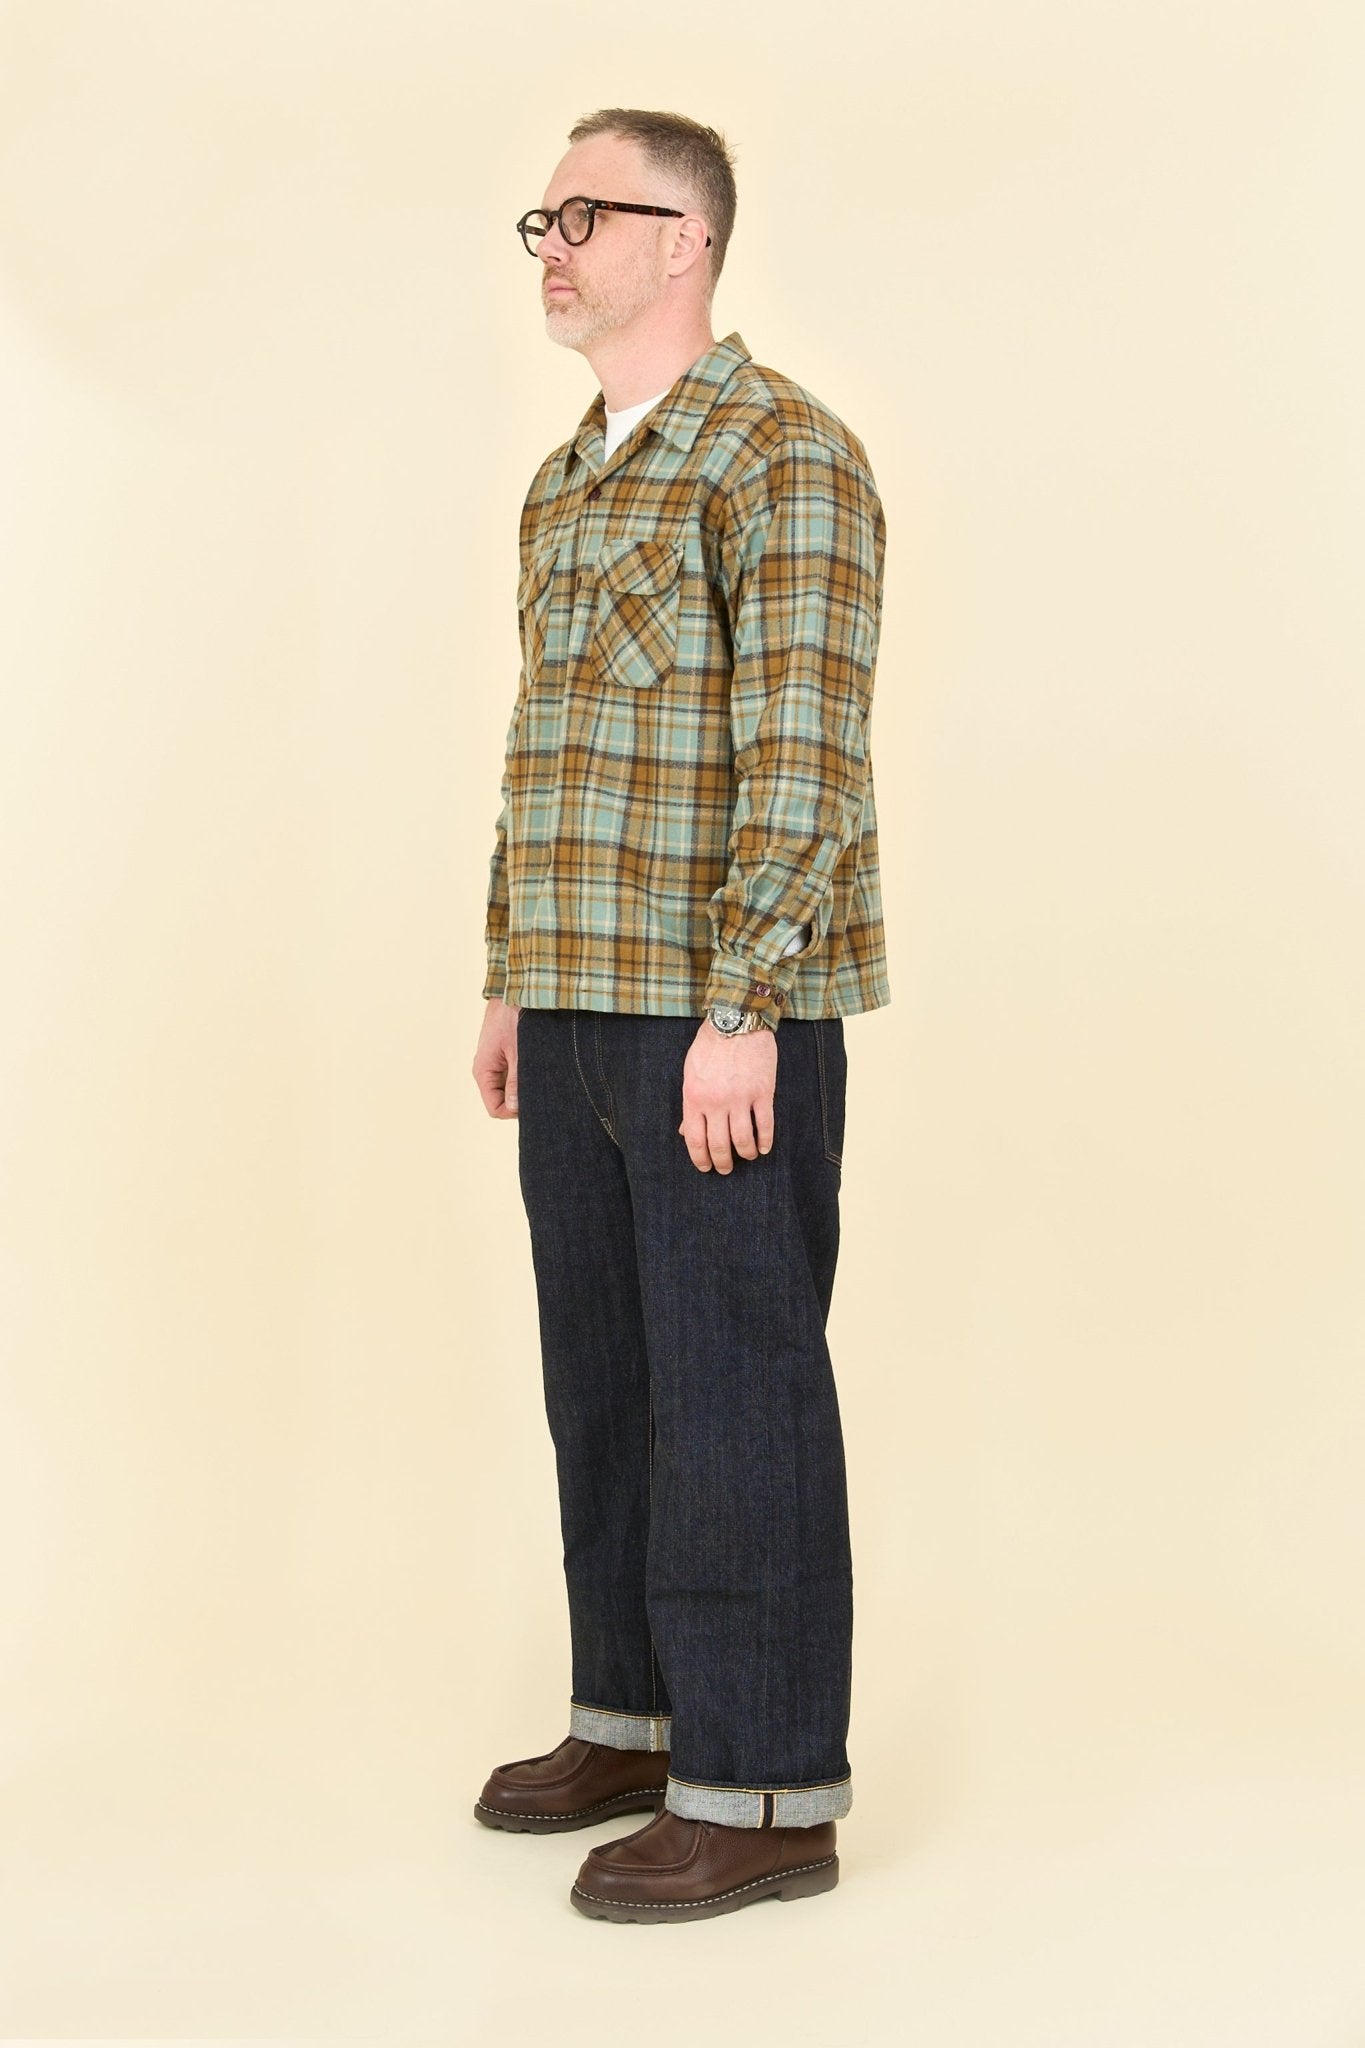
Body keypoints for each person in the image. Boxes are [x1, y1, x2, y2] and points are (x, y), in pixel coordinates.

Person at [470, 107, 890, 1924]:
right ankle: (636, 1722)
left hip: (716, 1018)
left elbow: (804, 753)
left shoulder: (783, 452)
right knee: (607, 1384)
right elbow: (541, 748)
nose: (554, 243)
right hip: (576, 1006)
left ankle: (764, 1790)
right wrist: (510, 974)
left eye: (589, 211)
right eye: (543, 216)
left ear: (685, 240)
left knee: (734, 1391)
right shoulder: (567, 479)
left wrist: (748, 1004)